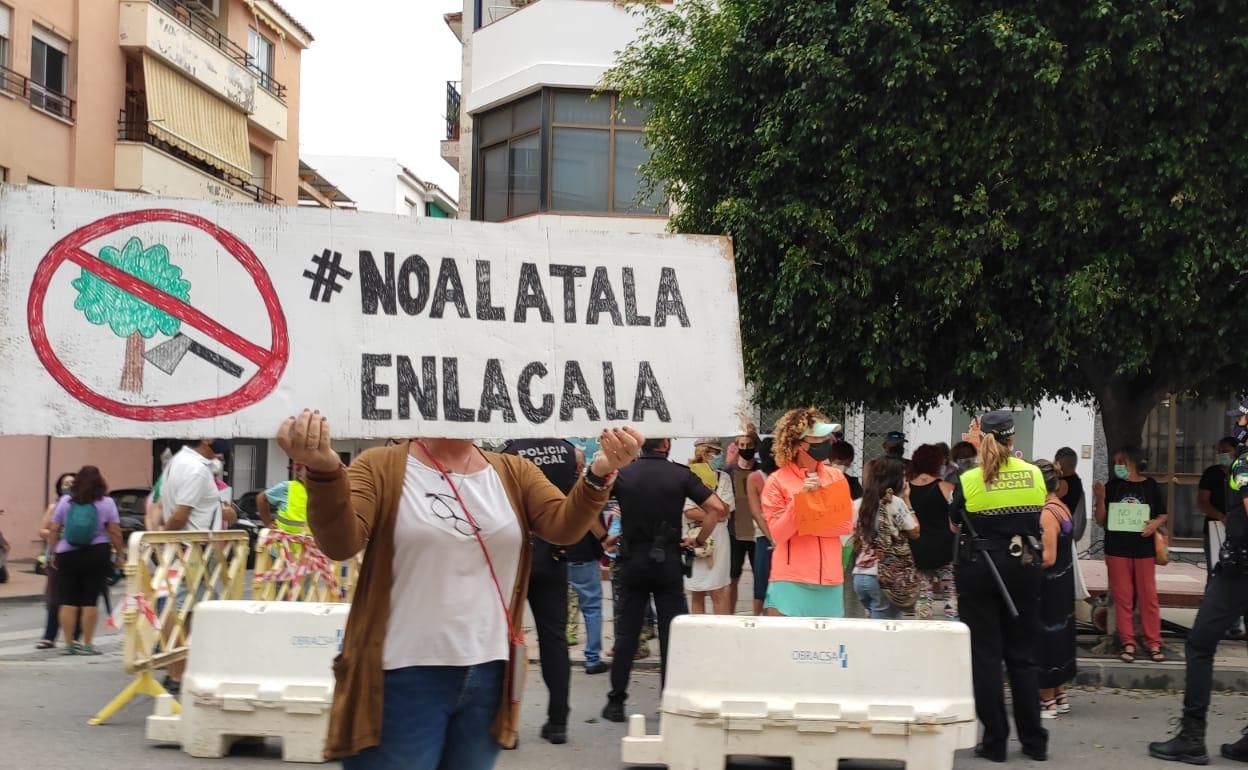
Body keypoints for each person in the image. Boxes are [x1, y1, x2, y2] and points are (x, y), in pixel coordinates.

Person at [282, 410, 640, 769]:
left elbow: (562, 526)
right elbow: (340, 543)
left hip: (488, 675)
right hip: (400, 675)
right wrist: (325, 469)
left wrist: (598, 474)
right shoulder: (379, 466)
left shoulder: (513, 471)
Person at [1150, 402, 1248, 764]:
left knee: (1200, 644)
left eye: (1242, 417)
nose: (1237, 423)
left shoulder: (1244, 462)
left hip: (1241, 570)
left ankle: (1192, 737)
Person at [603, 438, 728, 723]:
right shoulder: (680, 474)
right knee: (672, 633)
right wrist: (698, 538)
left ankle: (616, 702)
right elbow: (717, 509)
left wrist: (603, 536)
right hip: (668, 561)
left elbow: (589, 501)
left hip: (632, 560)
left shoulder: (624, 474)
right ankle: (669, 699)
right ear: (667, 444)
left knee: (626, 634)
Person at [949, 411, 1048, 763]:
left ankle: (995, 742)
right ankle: (1034, 741)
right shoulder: (1035, 473)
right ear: (1012, 439)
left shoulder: (969, 479)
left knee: (986, 658)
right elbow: (1037, 513)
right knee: (1023, 656)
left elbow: (953, 523)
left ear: (983, 438)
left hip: (979, 569)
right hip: (1023, 567)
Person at [498, 437, 581, 745]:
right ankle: (558, 721)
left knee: (508, 640)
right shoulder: (568, 450)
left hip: (518, 556)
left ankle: (507, 724)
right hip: (555, 554)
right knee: (554, 640)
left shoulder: (510, 453)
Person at [760, 408, 855, 618]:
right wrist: (801, 502)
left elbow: (845, 524)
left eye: (825, 436)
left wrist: (806, 521)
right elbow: (778, 533)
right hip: (790, 580)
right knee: (785, 647)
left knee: (827, 648)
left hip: (830, 579)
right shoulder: (776, 481)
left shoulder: (836, 477)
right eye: (818, 437)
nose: (826, 441)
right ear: (798, 444)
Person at [159, 438, 236, 694]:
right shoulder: (196, 469)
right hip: (195, 547)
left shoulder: (176, 463)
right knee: (183, 609)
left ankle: (181, 671)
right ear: (205, 438)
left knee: (186, 608)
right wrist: (165, 540)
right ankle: (176, 675)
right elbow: (181, 514)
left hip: (189, 545)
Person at [1093, 445, 1167, 664]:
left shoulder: (1151, 486)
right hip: (1117, 550)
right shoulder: (1113, 486)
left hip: (1144, 550)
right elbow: (1100, 520)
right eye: (1115, 463)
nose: (1117, 467)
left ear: (1132, 463)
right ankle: (1128, 642)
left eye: (1120, 462)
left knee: (1148, 597)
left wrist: (1155, 524)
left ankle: (1153, 642)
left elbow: (1162, 514)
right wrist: (1100, 498)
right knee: (1123, 597)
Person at [48, 466, 124, 656]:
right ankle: (88, 644)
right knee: (90, 600)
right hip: (97, 553)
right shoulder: (107, 503)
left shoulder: (65, 501)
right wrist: (120, 554)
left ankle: (69, 644)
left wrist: (53, 551)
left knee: (68, 599)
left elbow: (53, 528)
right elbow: (114, 531)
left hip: (68, 553)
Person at [561, 446, 611, 678]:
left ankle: (559, 655)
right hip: (583, 555)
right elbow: (591, 519)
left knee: (559, 608)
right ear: (580, 466)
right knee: (591, 608)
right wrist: (604, 540)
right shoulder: (585, 487)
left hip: (559, 554)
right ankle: (592, 659)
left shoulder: (551, 483)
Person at [1033, 460, 1077, 720]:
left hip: (1048, 585)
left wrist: (1026, 566)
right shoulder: (1062, 508)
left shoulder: (1046, 513)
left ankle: (1046, 699)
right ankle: (1060, 694)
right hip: (1063, 582)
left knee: (1046, 639)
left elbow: (1048, 557)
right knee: (1060, 637)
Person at [851, 456, 920, 619]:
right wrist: (907, 500)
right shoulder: (895, 503)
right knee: (885, 634)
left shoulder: (858, 504)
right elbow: (915, 531)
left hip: (861, 575)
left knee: (875, 624)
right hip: (885, 579)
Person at [684, 439, 734, 615]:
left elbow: (727, 510)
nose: (718, 456)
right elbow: (689, 512)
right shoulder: (688, 476)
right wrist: (714, 515)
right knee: (697, 591)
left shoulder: (724, 478)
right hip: (694, 537)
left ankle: (721, 636)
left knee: (719, 590)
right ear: (704, 453)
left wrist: (710, 493)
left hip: (719, 541)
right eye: (715, 452)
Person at [907, 444, 958, 620]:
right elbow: (955, 520)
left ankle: (924, 632)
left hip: (918, 551)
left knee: (923, 597)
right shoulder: (946, 488)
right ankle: (952, 633)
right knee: (951, 596)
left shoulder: (905, 490)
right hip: (945, 551)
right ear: (937, 464)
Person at [36, 472, 75, 649]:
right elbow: (42, 530)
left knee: (77, 598)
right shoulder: (55, 506)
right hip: (56, 556)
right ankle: (49, 636)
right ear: (59, 487)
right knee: (54, 598)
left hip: (78, 556)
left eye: (72, 483)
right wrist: (58, 533)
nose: (68, 486)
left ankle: (74, 637)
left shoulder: (84, 506)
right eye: (65, 483)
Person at [726, 431, 761, 615]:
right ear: (737, 446)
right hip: (734, 531)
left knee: (760, 576)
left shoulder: (760, 470)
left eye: (749, 445)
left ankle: (757, 617)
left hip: (757, 531)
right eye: (742, 445)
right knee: (732, 577)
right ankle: (730, 616)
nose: (745, 449)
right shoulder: (728, 472)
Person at [747, 439, 777, 616]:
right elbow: (756, 513)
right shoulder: (755, 478)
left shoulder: (787, 475)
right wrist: (771, 537)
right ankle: (756, 619)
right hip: (764, 536)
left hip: (784, 535)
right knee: (761, 583)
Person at [258, 463, 310, 534]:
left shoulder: (321, 492)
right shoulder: (288, 487)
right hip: (284, 543)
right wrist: (268, 523)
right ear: (299, 474)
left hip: (310, 544)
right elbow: (261, 498)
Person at [1054, 447, 1088, 544]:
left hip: (1060, 535)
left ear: (1058, 464)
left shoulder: (1063, 484)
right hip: (1069, 534)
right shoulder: (1077, 482)